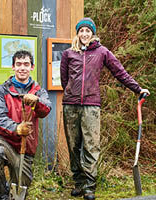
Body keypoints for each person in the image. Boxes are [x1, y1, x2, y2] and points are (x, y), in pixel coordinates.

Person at [60, 17, 150, 200]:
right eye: (81, 31)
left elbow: (119, 72)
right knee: (73, 146)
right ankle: (78, 183)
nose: (84, 34)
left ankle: (89, 187)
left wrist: (137, 88)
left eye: (88, 31)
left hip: (91, 106)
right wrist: (71, 93)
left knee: (91, 146)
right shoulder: (68, 53)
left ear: (92, 33)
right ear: (77, 33)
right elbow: (64, 79)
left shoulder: (102, 52)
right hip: (70, 105)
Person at [0, 50, 51, 200]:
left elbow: (46, 110)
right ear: (13, 67)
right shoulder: (1, 91)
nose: (22, 68)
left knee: (20, 192)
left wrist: (37, 101)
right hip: (4, 140)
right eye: (19, 64)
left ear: (32, 67)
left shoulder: (39, 91)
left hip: (26, 146)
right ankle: (0, 196)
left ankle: (10, 188)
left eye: (26, 64)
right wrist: (16, 128)